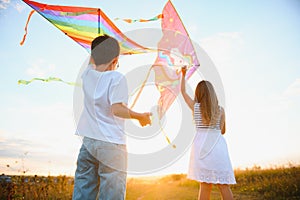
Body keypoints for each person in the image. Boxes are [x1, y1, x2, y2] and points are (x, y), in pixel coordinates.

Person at [72, 35, 151, 200]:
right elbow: (117, 110)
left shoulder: (87, 75)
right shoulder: (117, 78)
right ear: (116, 59)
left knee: (83, 191)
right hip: (111, 144)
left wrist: (98, 48)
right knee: (112, 194)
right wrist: (140, 116)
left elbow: (92, 60)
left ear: (92, 56)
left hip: (88, 144)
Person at [181, 67, 236, 200]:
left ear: (198, 94)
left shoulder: (195, 107)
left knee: (205, 185)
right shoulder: (220, 110)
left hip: (201, 149)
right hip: (218, 148)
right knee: (224, 185)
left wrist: (183, 75)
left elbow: (182, 92)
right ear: (213, 93)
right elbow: (222, 131)